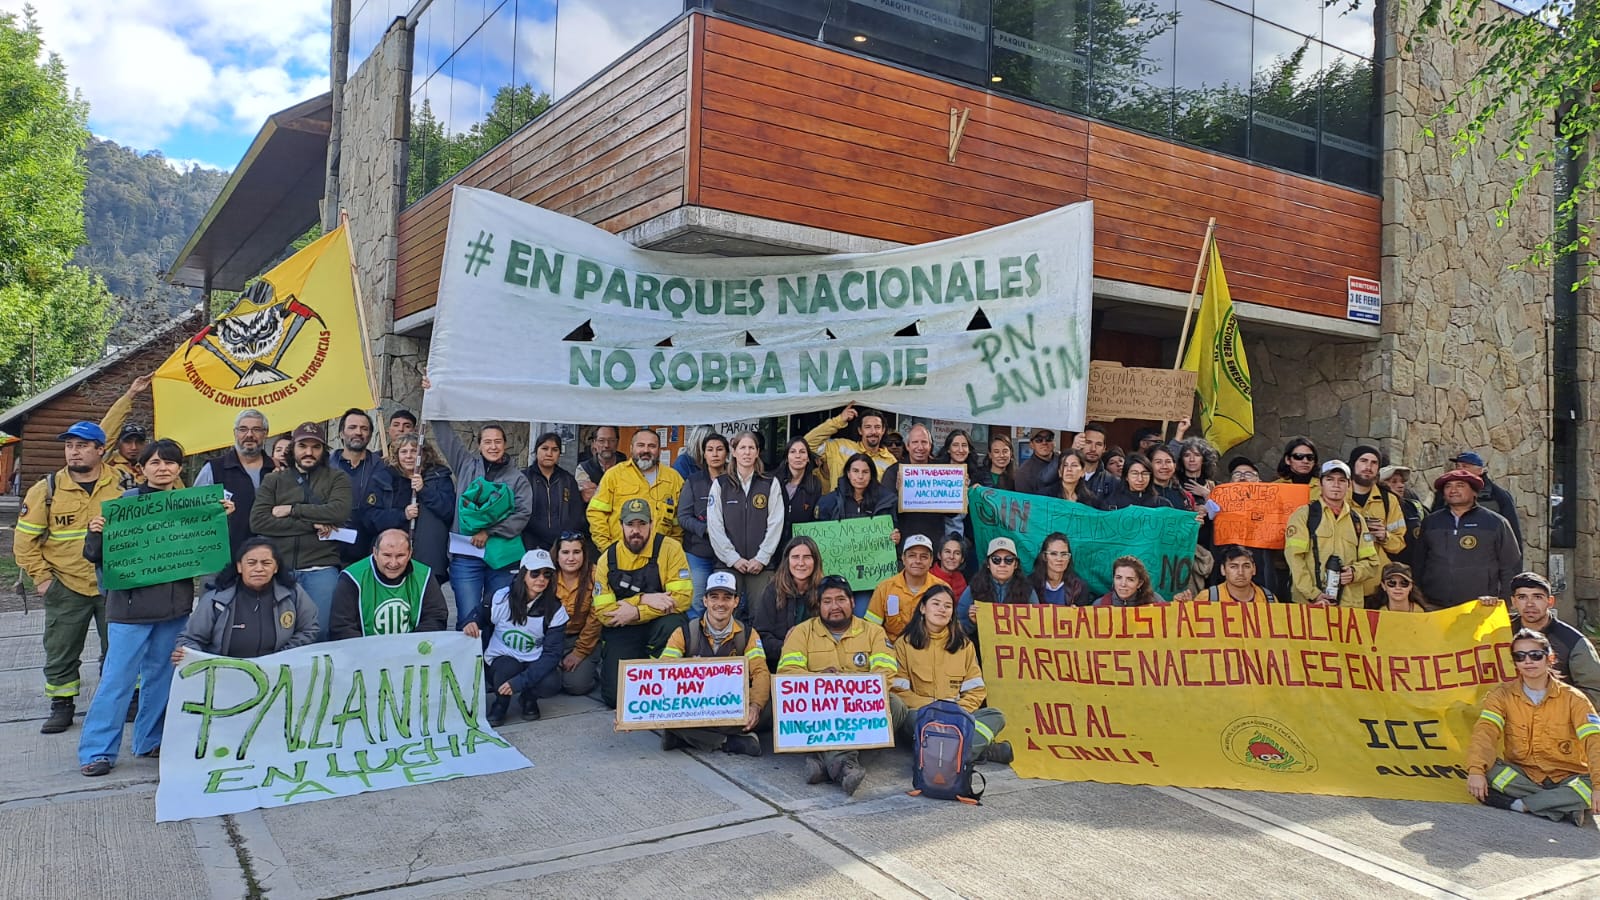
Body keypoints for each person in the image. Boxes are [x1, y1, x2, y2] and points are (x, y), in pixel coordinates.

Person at [77, 439, 229, 775]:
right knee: (117, 680)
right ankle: (97, 751)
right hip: (129, 611)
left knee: (161, 678)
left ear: (179, 469)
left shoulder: (193, 506)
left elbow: (207, 551)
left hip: (173, 611)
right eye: (156, 462)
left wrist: (218, 518)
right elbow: (94, 555)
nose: (163, 468)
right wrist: (97, 532)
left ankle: (150, 740)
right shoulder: (124, 506)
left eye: (170, 462)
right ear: (142, 468)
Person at [15, 423, 126, 733]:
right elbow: (24, 542)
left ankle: (126, 698)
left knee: (120, 647)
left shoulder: (122, 484)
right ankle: (62, 704)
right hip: (66, 585)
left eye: (83, 445)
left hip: (116, 583)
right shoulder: (46, 490)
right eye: (69, 445)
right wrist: (42, 579)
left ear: (101, 449)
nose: (74, 451)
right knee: (61, 649)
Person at [777, 575, 902, 794]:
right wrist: (821, 683)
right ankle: (845, 765)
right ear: (819, 605)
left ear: (852, 602)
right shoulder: (801, 632)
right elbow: (787, 673)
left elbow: (886, 671)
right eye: (827, 601)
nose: (834, 606)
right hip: (818, 709)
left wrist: (849, 687)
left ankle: (822, 761)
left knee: (897, 706)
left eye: (841, 599)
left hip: (859, 708)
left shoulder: (874, 632)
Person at [1465, 628, 1600, 826]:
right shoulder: (1501, 696)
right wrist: (1476, 771)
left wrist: (1598, 786)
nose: (1528, 661)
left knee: (1590, 786)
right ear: (1515, 663)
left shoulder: (1575, 699)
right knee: (1487, 771)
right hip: (1523, 776)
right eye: (1520, 656)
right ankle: (1563, 805)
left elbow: (1594, 742)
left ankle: (1521, 805)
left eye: (1535, 655)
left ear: (1549, 658)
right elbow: (1485, 732)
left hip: (1568, 777)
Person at [423, 389, 533, 630]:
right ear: (479, 444)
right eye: (488, 442)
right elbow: (444, 435)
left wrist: (489, 532)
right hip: (466, 556)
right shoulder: (465, 465)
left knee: (497, 615)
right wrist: (432, 395)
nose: (493, 446)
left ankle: (491, 664)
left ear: (505, 444)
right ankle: (467, 666)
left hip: (502, 559)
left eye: (497, 442)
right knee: (468, 617)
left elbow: (522, 515)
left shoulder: (517, 479)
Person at [249, 421, 353, 638]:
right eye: (303, 446)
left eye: (316, 447)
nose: (309, 452)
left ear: (323, 450)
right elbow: (259, 521)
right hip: (279, 568)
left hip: (321, 567)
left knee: (320, 630)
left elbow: (338, 512)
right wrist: (312, 523)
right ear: (292, 448)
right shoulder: (273, 480)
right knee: (275, 632)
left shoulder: (337, 478)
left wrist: (292, 509)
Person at [891, 585, 1011, 764]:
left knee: (996, 715)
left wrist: (957, 712)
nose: (942, 609)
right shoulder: (904, 644)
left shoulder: (964, 645)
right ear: (923, 608)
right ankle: (979, 750)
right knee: (910, 717)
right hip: (922, 716)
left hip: (957, 716)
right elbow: (899, 691)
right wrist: (936, 709)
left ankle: (945, 757)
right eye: (936, 604)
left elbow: (977, 690)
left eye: (947, 606)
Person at [592, 498, 693, 707]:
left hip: (659, 624)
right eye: (630, 525)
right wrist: (644, 599)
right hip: (623, 627)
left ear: (652, 524)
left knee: (674, 623)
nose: (635, 531)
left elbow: (682, 599)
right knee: (615, 699)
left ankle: (665, 680)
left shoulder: (671, 549)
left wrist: (637, 612)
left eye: (641, 524)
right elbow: (603, 612)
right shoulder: (607, 558)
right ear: (620, 525)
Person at [660, 571, 770, 756]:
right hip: (696, 709)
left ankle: (684, 735)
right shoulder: (684, 633)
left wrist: (755, 706)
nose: (720, 603)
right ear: (705, 601)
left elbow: (760, 672)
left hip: (733, 707)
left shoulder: (748, 634)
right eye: (714, 597)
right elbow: (663, 671)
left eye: (727, 597)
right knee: (668, 715)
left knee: (768, 707)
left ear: (736, 602)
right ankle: (727, 742)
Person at [464, 549, 567, 724]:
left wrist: (520, 682)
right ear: (523, 574)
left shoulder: (556, 609)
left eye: (547, 574)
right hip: (503, 656)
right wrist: (470, 622)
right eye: (535, 573)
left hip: (534, 658)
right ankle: (500, 703)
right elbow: (477, 616)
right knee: (506, 669)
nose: (541, 579)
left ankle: (529, 698)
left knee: (551, 683)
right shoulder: (500, 598)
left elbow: (552, 654)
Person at [174, 537, 320, 660]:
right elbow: (190, 639)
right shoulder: (216, 599)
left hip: (278, 673)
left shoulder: (293, 594)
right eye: (251, 563)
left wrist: (280, 657)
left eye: (266, 563)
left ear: (276, 568)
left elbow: (309, 629)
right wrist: (189, 655)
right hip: (225, 675)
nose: (259, 569)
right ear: (239, 567)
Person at [1414, 468, 1521, 608]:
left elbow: (1510, 564)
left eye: (1460, 485)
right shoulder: (1431, 522)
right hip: (1434, 605)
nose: (1453, 490)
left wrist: (1505, 601)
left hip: (1481, 605)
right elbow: (1418, 562)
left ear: (1474, 491)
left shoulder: (1495, 523)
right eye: (1448, 486)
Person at [1283, 460, 1379, 606]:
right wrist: (1314, 594)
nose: (1336, 484)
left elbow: (1372, 563)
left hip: (1349, 606)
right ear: (1321, 484)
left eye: (1342, 480)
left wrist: (1354, 573)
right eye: (1329, 479)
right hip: (1311, 604)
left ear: (1349, 485)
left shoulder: (1357, 520)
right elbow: (1295, 560)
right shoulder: (1304, 515)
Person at [707, 431, 785, 610]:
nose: (747, 452)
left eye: (751, 448)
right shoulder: (720, 484)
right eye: (742, 447)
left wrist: (762, 558)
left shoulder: (770, 483)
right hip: (727, 564)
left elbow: (776, 523)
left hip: (761, 566)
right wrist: (733, 559)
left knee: (762, 616)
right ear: (734, 452)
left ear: (757, 452)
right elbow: (715, 525)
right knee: (722, 615)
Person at [364, 433, 456, 581]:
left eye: (414, 451)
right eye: (404, 451)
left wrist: (424, 490)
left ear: (424, 454)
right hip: (391, 558)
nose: (409, 456)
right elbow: (371, 518)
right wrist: (402, 515)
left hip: (428, 557)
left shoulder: (439, 477)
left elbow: (448, 511)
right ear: (396, 454)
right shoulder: (383, 478)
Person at [327, 529, 449, 640]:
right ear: (375, 553)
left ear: (410, 553)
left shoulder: (424, 575)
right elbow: (342, 626)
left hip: (412, 653)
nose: (393, 563)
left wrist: (411, 646)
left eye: (400, 555)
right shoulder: (352, 578)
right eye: (387, 555)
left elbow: (436, 616)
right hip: (365, 655)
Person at [1509, 572, 1600, 710]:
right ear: (1514, 602)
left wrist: (1555, 712)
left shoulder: (1572, 641)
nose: (1529, 604)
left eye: (1537, 597)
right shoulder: (1500, 630)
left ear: (1550, 601)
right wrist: (1483, 608)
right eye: (1522, 597)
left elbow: (1593, 691)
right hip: (1507, 715)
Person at [193, 409, 275, 558]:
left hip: (267, 559)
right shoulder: (213, 468)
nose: (249, 435)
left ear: (266, 433)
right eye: (243, 429)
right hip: (221, 556)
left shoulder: (277, 470)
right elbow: (195, 512)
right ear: (235, 433)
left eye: (256, 429)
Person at [588, 427, 685, 550]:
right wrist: (608, 548)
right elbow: (596, 513)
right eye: (640, 445)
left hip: (660, 558)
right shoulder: (614, 475)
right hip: (622, 556)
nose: (646, 450)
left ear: (659, 450)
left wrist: (671, 550)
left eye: (652, 446)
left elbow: (679, 523)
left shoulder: (674, 479)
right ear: (631, 448)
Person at [1432, 450, 1524, 558]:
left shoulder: (1499, 496)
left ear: (1480, 470)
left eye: (1465, 466)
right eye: (1457, 466)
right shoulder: (1443, 494)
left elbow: (1513, 534)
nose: (1459, 470)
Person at [750, 536, 822, 670]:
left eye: (807, 557)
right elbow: (760, 636)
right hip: (779, 666)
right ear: (787, 560)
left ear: (815, 561)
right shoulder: (772, 591)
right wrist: (787, 646)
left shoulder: (825, 592)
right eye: (795, 557)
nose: (801, 563)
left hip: (818, 665)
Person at [677, 432, 729, 611]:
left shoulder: (736, 480)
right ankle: (696, 638)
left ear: (727, 453)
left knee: (727, 601)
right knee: (697, 602)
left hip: (730, 553)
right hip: (699, 550)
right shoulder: (693, 481)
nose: (715, 454)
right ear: (704, 454)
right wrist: (706, 529)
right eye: (710, 450)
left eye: (719, 449)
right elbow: (683, 517)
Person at [866, 534, 949, 641]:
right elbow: (872, 628)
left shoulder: (942, 589)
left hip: (929, 649)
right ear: (903, 558)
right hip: (893, 651)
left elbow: (948, 629)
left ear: (931, 560)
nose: (918, 561)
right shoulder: (884, 588)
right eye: (912, 556)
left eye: (924, 557)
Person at [1347, 445, 1407, 593]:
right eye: (1363, 461)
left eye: (1374, 463)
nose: (1368, 467)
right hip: (1343, 580)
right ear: (1352, 464)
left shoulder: (1389, 500)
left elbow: (1399, 543)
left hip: (1375, 584)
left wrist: (1384, 535)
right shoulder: (1336, 497)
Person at [884, 424, 951, 548]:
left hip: (935, 542)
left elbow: (952, 513)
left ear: (930, 446)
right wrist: (899, 495)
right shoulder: (893, 472)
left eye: (924, 442)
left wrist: (959, 493)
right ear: (907, 446)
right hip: (904, 542)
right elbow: (885, 512)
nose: (920, 447)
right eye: (915, 442)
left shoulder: (942, 470)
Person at [551, 533, 600, 697]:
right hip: (551, 639)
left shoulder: (596, 575)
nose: (571, 558)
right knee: (549, 684)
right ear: (556, 555)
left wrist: (580, 652)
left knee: (575, 686)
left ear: (584, 554)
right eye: (565, 552)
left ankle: (596, 669)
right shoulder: (546, 575)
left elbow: (596, 619)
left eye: (576, 552)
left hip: (582, 638)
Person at [521, 431, 585, 555]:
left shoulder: (567, 480)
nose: (549, 454)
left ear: (559, 454)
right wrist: (546, 535)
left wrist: (562, 537)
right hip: (531, 543)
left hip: (563, 544)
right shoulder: (524, 478)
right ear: (536, 451)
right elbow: (522, 513)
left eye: (554, 450)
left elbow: (576, 513)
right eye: (544, 448)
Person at [958, 537, 1038, 635]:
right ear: (988, 563)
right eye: (996, 560)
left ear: (1016, 564)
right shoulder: (975, 587)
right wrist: (972, 622)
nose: (1002, 564)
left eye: (1008, 560)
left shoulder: (1027, 590)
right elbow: (959, 628)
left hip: (1017, 647)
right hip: (980, 647)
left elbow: (1036, 627)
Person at [331, 408, 382, 565]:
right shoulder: (325, 466)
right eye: (352, 427)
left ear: (370, 435)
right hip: (328, 551)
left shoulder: (382, 468)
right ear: (341, 433)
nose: (358, 432)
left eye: (364, 428)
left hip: (368, 552)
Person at [804, 402, 896, 486]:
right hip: (841, 504)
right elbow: (808, 443)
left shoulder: (891, 461)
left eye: (877, 427)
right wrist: (839, 420)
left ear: (883, 430)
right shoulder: (839, 447)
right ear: (860, 430)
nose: (873, 431)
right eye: (867, 427)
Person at [97, 373, 152, 489]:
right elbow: (105, 432)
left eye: (139, 442)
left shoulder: (152, 466)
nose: (133, 447)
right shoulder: (105, 463)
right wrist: (131, 394)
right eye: (128, 441)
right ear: (118, 443)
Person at [776, 436, 824, 550]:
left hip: (800, 547)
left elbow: (815, 519)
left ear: (808, 458)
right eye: (793, 452)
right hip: (773, 547)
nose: (798, 456)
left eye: (802, 452)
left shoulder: (815, 484)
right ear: (787, 457)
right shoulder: (774, 481)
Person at [817, 452, 896, 521]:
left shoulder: (886, 500)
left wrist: (895, 535)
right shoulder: (829, 501)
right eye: (855, 471)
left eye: (865, 472)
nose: (860, 476)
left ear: (871, 475)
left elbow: (893, 527)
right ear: (848, 473)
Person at [1381, 463, 1429, 568]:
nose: (1401, 485)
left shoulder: (1414, 506)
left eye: (1402, 481)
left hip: (1415, 567)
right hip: (1387, 569)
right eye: (1393, 481)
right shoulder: (1376, 508)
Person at [1030, 532, 1091, 606]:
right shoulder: (1030, 584)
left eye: (1064, 554)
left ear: (1069, 558)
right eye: (1053, 554)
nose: (1059, 559)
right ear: (1044, 557)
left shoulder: (1079, 587)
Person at [1203, 545, 1279, 602]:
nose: (1240, 572)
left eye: (1246, 566)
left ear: (1254, 569)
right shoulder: (1208, 597)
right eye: (1233, 567)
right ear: (1223, 570)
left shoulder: (1268, 599)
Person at [1104, 454, 1172, 510]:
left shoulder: (1162, 504)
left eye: (1145, 473)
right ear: (1126, 476)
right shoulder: (1112, 503)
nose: (1140, 479)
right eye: (1135, 473)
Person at [1094, 556, 1166, 607]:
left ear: (1139, 583)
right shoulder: (1100, 605)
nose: (1123, 584)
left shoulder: (1155, 601)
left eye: (1130, 579)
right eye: (1118, 578)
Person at [576, 425, 621, 503]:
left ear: (617, 442)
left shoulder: (626, 466)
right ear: (594, 443)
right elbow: (588, 497)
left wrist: (598, 490)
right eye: (601, 440)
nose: (607, 445)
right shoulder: (584, 468)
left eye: (611, 440)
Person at [1148, 446, 1195, 511]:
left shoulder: (1185, 496)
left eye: (1168, 461)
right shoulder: (1142, 493)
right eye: (1158, 462)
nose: (1164, 466)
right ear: (1149, 465)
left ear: (1174, 465)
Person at [1015, 428, 1059, 496]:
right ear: (1031, 445)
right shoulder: (1024, 472)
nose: (1044, 443)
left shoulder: (1064, 461)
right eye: (1039, 440)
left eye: (1048, 438)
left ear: (1054, 442)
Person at [1177, 437, 1218, 503]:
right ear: (1181, 459)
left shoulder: (1214, 486)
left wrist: (1207, 495)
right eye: (1187, 455)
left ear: (1204, 459)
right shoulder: (1174, 484)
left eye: (1197, 455)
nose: (1192, 459)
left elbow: (1221, 511)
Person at [932, 535, 969, 601]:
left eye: (957, 553)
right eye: (947, 552)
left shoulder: (960, 578)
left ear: (962, 559)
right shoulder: (929, 576)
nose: (951, 557)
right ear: (939, 555)